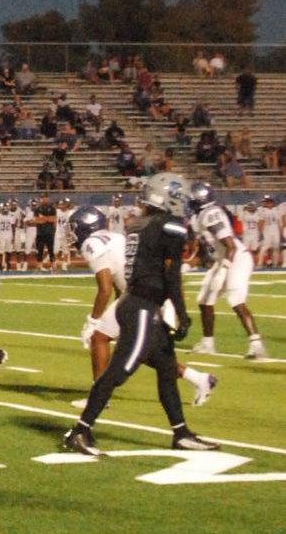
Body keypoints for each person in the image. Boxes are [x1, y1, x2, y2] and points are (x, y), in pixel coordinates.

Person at [62, 174, 215, 455]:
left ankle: (181, 433)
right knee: (119, 371)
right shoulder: (167, 224)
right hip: (143, 307)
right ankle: (80, 430)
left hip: (138, 302)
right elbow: (170, 275)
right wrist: (181, 312)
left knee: (167, 370)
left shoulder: (138, 223)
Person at [69, 202, 215, 406]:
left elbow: (105, 287)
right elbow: (122, 281)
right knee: (144, 350)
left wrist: (93, 320)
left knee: (99, 338)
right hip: (150, 292)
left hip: (142, 295)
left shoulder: (92, 244)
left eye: (74, 228)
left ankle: (98, 396)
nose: (73, 234)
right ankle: (199, 378)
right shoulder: (117, 237)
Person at [188, 182, 267, 359]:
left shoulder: (211, 214)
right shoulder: (197, 217)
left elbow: (230, 246)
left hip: (236, 258)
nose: (190, 200)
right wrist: (187, 264)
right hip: (222, 259)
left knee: (235, 300)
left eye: (193, 197)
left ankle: (256, 345)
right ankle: (208, 344)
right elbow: (206, 251)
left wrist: (223, 271)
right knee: (204, 299)